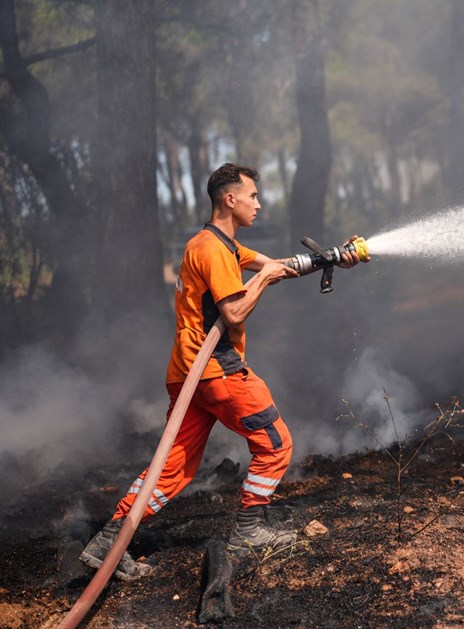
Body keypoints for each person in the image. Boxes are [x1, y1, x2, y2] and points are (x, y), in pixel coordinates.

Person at [80, 163, 363, 580]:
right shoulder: (213, 250)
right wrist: (265, 277)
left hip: (188, 373)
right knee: (276, 443)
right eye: (252, 196)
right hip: (218, 371)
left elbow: (277, 266)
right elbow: (233, 311)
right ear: (230, 199)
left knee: (172, 466)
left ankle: (108, 541)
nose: (259, 204)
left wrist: (333, 257)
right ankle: (249, 531)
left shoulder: (219, 244)